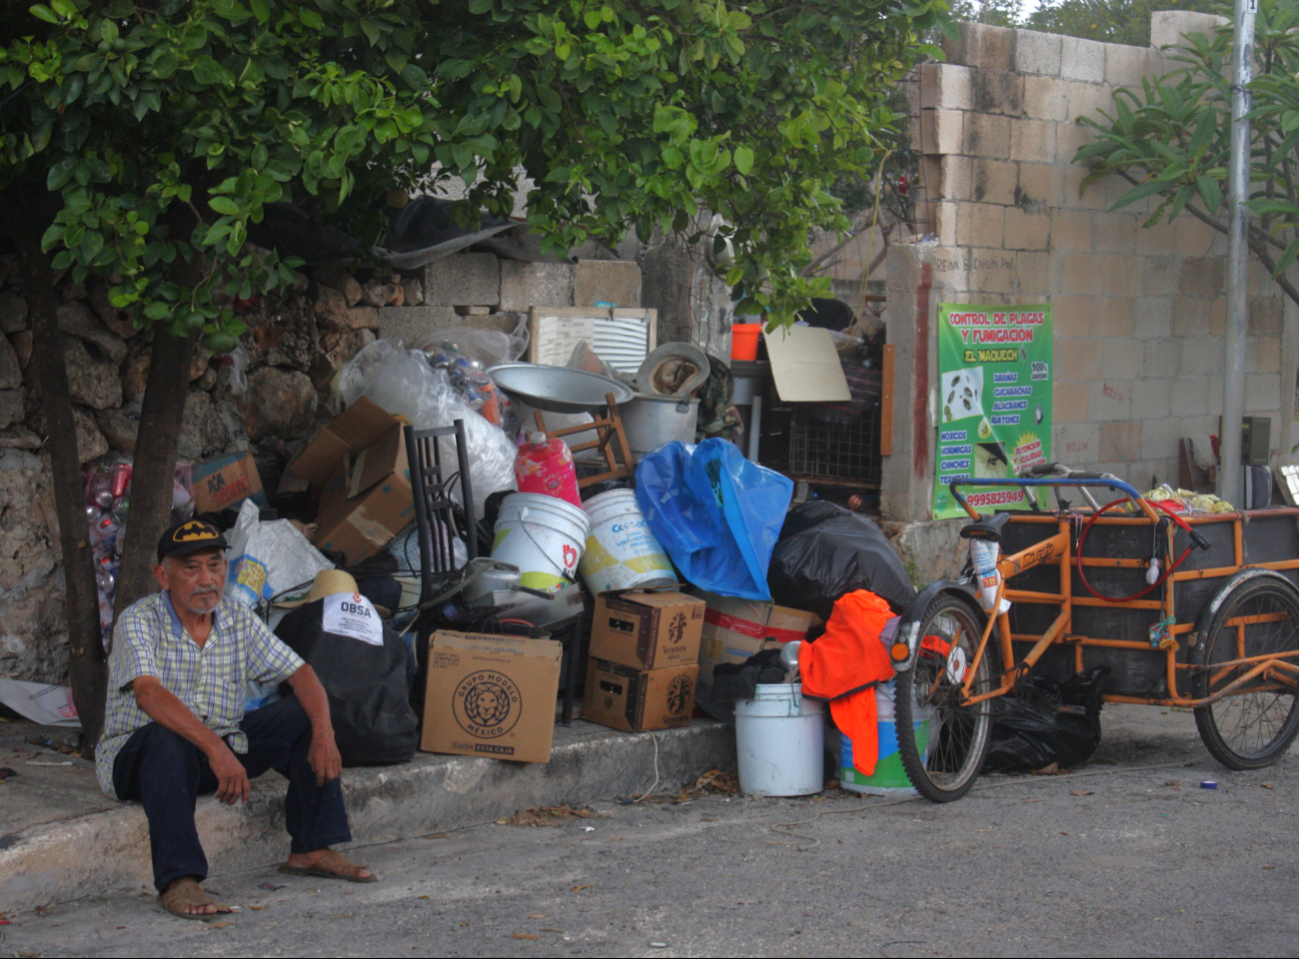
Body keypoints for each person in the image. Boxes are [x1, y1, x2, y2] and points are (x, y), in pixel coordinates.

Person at [96, 519, 376, 920]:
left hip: (216, 751)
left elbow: (300, 673)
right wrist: (214, 747)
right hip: (141, 759)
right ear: (163, 575)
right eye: (191, 568)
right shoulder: (139, 620)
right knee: (167, 736)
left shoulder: (236, 618)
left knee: (303, 714)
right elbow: (148, 694)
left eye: (215, 565)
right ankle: (178, 880)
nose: (207, 579)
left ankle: (311, 848)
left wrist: (325, 734)